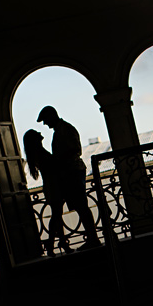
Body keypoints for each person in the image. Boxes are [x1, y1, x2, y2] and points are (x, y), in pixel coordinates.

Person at [35, 106, 102, 250]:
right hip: (72, 172)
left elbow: (74, 150)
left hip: (73, 172)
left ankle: (93, 238)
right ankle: (92, 238)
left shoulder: (65, 130)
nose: (45, 124)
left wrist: (58, 161)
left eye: (46, 120)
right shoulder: (62, 130)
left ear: (52, 116)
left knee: (81, 206)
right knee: (81, 206)